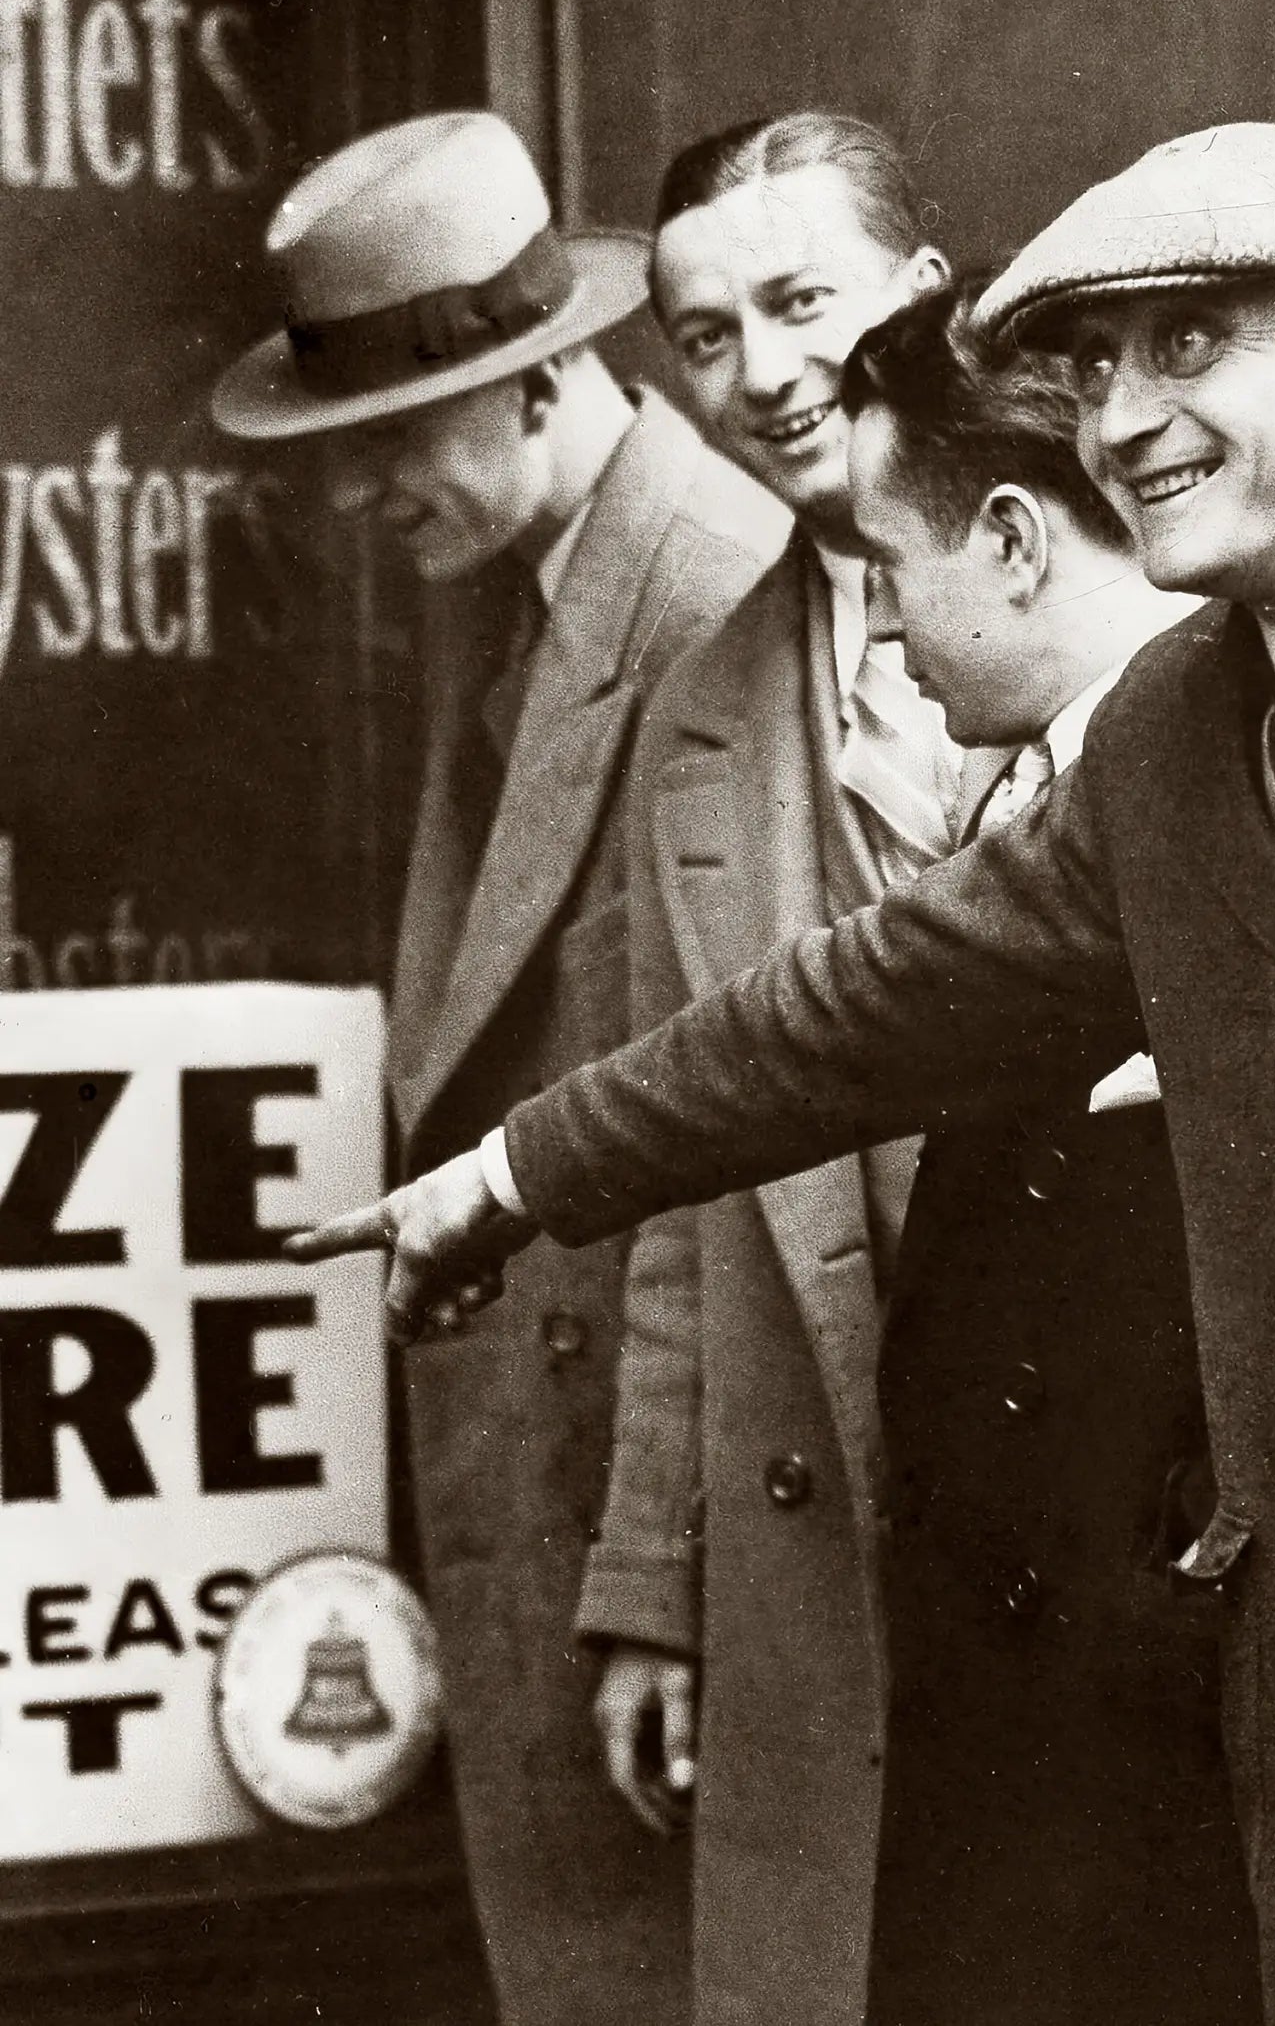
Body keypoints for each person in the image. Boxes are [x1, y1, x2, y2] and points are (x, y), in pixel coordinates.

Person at [292, 122, 1275, 2023]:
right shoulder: (1183, 722)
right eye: (1097, 366)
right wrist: (523, 1172)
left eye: (1189, 344)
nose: (1123, 417)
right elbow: (863, 1008)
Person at [210, 111, 786, 2024]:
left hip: (667, 1572)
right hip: (568, 1524)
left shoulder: (707, 598)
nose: (359, 497)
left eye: (393, 435)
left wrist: (658, 1582)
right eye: (337, 449)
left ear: (543, 379)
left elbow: (748, 1143)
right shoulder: (533, 609)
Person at [571, 114, 1002, 2026]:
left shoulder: (1146, 588)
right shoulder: (707, 714)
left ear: (927, 295)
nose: (760, 376)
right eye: (704, 333)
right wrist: (655, 1585)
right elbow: (688, 1189)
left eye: (800, 301)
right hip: (839, 1486)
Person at [837, 282, 1261, 2024]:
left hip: (1153, 1789)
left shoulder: (1229, 798)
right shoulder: (1026, 808)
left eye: (886, 567)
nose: (880, 628)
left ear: (1013, 540)